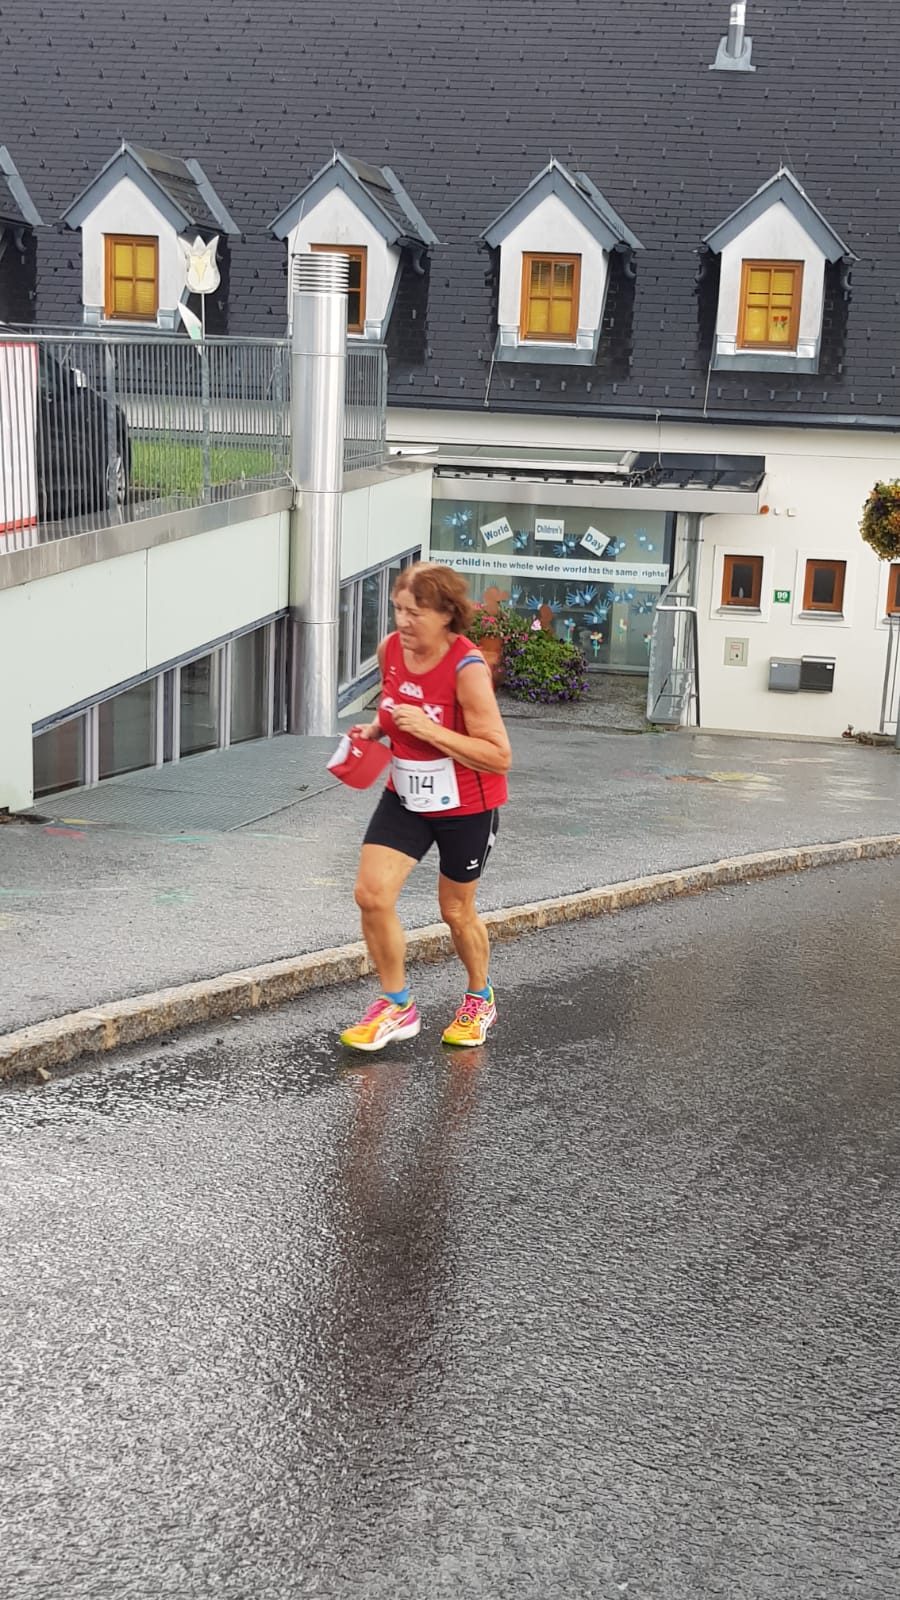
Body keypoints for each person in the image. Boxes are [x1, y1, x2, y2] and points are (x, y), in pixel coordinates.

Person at [340, 561, 512, 1053]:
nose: (403, 622)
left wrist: (430, 730)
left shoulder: (467, 668)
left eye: (415, 613)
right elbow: (396, 704)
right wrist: (378, 729)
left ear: (446, 615)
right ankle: (397, 1004)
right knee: (371, 894)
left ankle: (479, 998)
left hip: (467, 805)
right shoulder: (391, 650)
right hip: (407, 797)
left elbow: (499, 755)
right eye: (398, 609)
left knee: (455, 910)